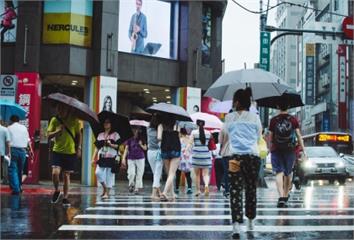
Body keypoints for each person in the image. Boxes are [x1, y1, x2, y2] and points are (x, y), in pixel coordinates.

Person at [223, 88, 262, 238]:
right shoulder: (255, 117)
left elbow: (226, 134)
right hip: (252, 156)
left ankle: (236, 226)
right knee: (251, 189)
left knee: (235, 190)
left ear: (237, 102)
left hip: (234, 158)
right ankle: (251, 221)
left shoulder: (229, 117)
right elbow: (258, 137)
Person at [269, 101, 305, 208]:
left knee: (278, 173)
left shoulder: (273, 120)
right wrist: (303, 149)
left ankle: (280, 196)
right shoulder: (293, 119)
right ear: (289, 106)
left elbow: (270, 137)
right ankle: (285, 196)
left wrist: (270, 147)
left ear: (278, 106)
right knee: (288, 173)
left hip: (276, 149)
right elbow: (298, 135)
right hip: (290, 149)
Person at [47, 104, 82, 207]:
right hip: (57, 151)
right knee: (55, 173)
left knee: (66, 175)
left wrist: (79, 148)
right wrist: (57, 131)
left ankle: (65, 197)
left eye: (62, 109)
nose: (60, 111)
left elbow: (79, 135)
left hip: (70, 152)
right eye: (58, 109)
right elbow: (48, 136)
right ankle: (57, 190)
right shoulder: (55, 120)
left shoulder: (75, 120)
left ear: (67, 110)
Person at [92, 118, 120, 199]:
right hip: (102, 157)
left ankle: (106, 193)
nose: (106, 124)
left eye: (108, 122)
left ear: (111, 124)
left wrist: (110, 144)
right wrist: (93, 158)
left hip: (112, 158)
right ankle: (104, 189)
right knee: (98, 173)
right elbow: (97, 147)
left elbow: (118, 146)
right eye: (104, 122)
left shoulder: (115, 134)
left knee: (109, 177)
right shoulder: (100, 135)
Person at [157, 115, 181, 201]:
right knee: (172, 174)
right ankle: (165, 193)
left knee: (169, 174)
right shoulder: (177, 125)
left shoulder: (161, 125)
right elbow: (179, 136)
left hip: (165, 149)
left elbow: (159, 137)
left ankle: (172, 194)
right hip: (175, 149)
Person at [7, 115, 30, 195]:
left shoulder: (9, 128)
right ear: (18, 120)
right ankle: (19, 187)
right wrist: (29, 150)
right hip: (23, 151)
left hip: (13, 150)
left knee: (13, 169)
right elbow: (28, 140)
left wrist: (8, 152)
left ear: (11, 120)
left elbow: (8, 141)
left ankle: (16, 189)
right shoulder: (24, 128)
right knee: (20, 170)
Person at [190, 120, 212, 197]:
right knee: (205, 174)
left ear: (197, 124)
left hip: (196, 154)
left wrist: (186, 150)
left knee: (197, 175)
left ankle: (198, 190)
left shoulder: (193, 132)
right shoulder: (209, 133)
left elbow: (190, 143)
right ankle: (206, 185)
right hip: (205, 153)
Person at [122, 127, 147, 194]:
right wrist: (123, 158)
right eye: (133, 129)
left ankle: (137, 188)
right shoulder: (129, 138)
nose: (134, 131)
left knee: (140, 174)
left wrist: (141, 144)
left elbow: (145, 148)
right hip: (131, 158)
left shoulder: (142, 138)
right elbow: (126, 149)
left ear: (138, 130)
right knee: (131, 173)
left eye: (136, 129)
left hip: (140, 158)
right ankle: (131, 184)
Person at [147, 114, 163, 200]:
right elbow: (159, 138)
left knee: (155, 173)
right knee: (157, 174)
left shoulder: (148, 128)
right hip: (158, 152)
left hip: (149, 152)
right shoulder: (159, 126)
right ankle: (153, 194)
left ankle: (159, 192)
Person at [175, 128, 193, 195]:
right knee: (188, 175)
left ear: (181, 133)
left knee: (178, 174)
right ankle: (189, 188)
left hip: (180, 159)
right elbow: (191, 149)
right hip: (187, 159)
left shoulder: (179, 140)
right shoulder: (189, 140)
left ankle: (176, 188)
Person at [219, 123, 232, 198]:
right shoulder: (239, 125)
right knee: (235, 172)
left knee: (227, 172)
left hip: (226, 152)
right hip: (236, 152)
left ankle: (227, 190)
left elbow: (220, 141)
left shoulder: (224, 127)